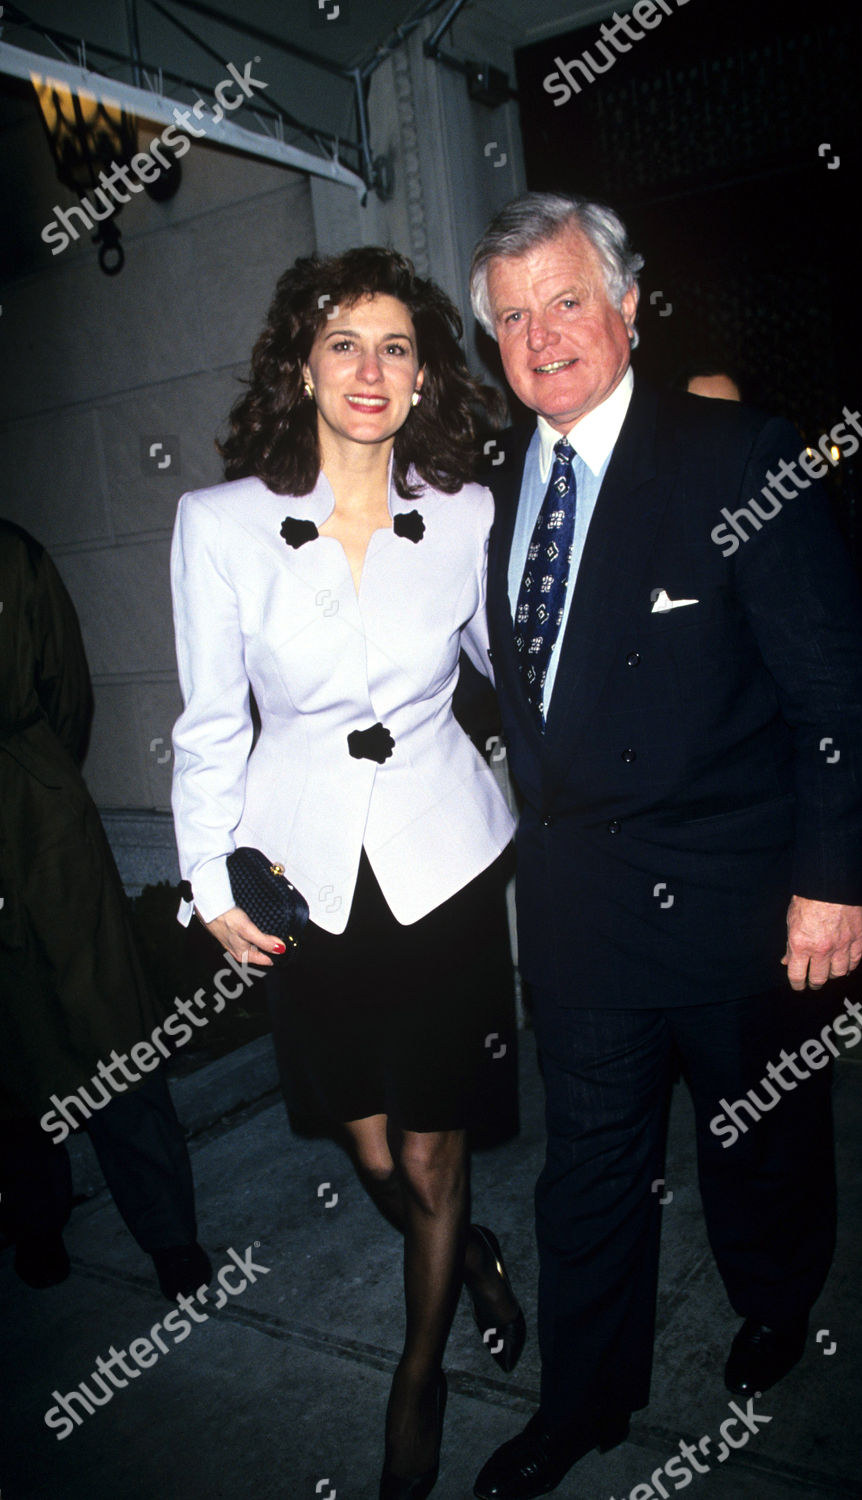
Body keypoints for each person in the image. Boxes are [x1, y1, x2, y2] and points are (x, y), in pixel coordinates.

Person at [467, 193, 862, 1499]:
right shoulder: (487, 491)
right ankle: (580, 1403)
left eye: (565, 300)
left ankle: (772, 1299)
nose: (540, 336)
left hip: (736, 898)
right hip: (582, 904)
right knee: (585, 1177)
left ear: (628, 305)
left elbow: (835, 690)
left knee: (753, 1142)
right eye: (511, 317)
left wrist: (828, 883)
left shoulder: (732, 451)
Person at [169, 248, 524, 1500]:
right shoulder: (218, 526)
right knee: (371, 1154)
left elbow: (515, 674)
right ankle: (466, 1251)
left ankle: (418, 1373)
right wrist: (209, 881)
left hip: (444, 873)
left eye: (394, 347)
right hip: (304, 878)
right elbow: (211, 722)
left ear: (424, 371)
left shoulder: (470, 511)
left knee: (432, 1150)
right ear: (301, 365)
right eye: (342, 345)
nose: (369, 370)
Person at [0, 519, 210, 1302]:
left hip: (36, 815)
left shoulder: (16, 556)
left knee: (105, 1021)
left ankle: (168, 1234)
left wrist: (39, 781)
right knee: (10, 1041)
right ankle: (35, 1217)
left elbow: (66, 694)